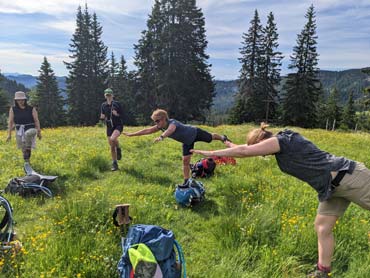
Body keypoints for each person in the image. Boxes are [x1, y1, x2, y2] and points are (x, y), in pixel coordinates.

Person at [191, 123, 370, 278]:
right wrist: (225, 141)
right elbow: (243, 147)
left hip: (349, 176)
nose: (263, 155)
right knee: (322, 227)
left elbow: (245, 151)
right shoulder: (278, 145)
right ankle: (323, 271)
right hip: (330, 189)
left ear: (262, 141)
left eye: (260, 150)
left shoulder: (283, 139)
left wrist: (210, 152)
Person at [123, 109, 231, 184]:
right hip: (187, 141)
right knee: (185, 161)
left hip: (194, 132)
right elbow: (147, 130)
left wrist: (161, 137)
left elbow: (171, 130)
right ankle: (186, 181)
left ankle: (222, 137)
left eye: (157, 120)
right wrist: (132, 134)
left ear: (164, 118)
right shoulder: (160, 127)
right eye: (154, 121)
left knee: (210, 137)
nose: (156, 123)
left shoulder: (172, 123)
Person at [6, 91, 42, 166]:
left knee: (27, 134)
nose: (21, 101)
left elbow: (36, 120)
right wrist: (9, 135)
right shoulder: (13, 109)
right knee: (23, 149)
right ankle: (27, 162)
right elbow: (10, 122)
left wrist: (39, 132)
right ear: (16, 101)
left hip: (31, 129)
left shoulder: (31, 109)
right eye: (19, 100)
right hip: (19, 130)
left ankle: (28, 148)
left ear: (25, 100)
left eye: (22, 99)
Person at [100, 88, 123, 171]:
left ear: (112, 95)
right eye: (107, 95)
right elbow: (102, 115)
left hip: (118, 125)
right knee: (111, 145)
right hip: (109, 126)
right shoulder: (103, 105)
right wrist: (102, 118)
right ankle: (115, 162)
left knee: (113, 138)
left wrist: (116, 114)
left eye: (110, 95)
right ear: (105, 96)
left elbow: (123, 114)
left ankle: (118, 150)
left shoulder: (117, 104)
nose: (108, 96)